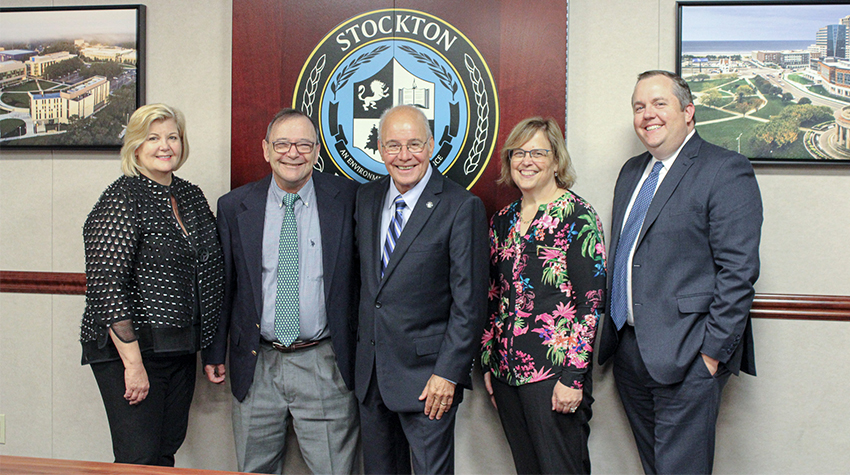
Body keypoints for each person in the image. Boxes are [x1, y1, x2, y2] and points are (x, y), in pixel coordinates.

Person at [597, 70, 763, 474]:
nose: (647, 114)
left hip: (689, 354)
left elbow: (738, 273)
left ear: (689, 112)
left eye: (659, 104)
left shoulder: (725, 170)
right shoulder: (632, 173)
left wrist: (710, 356)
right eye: (639, 107)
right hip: (630, 351)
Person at [202, 108, 360, 474]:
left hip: (325, 362)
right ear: (265, 149)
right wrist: (214, 350)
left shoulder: (349, 199)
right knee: (254, 468)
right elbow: (225, 284)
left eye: (304, 144)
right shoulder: (234, 206)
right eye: (283, 143)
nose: (293, 153)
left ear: (317, 151)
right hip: (256, 363)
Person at [80, 103, 225, 466]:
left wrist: (209, 348)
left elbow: (211, 270)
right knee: (138, 456)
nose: (165, 146)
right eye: (153, 137)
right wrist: (133, 364)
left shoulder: (189, 195)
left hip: (179, 347)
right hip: (131, 351)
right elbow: (106, 286)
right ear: (136, 147)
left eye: (172, 137)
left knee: (165, 450)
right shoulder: (122, 197)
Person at [354, 105, 489, 474]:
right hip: (372, 377)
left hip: (428, 381)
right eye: (393, 145)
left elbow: (470, 304)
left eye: (414, 144)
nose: (404, 155)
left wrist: (448, 373)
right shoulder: (366, 199)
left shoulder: (461, 207)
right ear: (380, 149)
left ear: (430, 146)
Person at [481, 117, 606, 475]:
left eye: (538, 152)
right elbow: (495, 295)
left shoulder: (577, 216)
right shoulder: (502, 221)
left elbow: (590, 305)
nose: (527, 161)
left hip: (553, 376)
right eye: (519, 153)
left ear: (556, 160)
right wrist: (490, 359)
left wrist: (573, 378)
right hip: (506, 375)